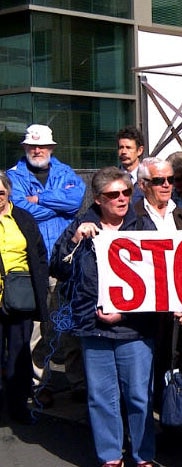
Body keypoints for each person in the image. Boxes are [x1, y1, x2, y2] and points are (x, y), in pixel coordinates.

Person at [50, 167, 156, 467]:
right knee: (101, 397)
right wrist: (74, 242)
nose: (122, 199)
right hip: (92, 327)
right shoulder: (79, 226)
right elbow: (57, 267)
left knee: (139, 396)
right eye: (113, 194)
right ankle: (111, 456)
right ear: (98, 199)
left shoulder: (143, 227)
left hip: (134, 327)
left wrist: (126, 312)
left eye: (126, 192)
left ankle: (143, 454)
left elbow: (157, 278)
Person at [6, 124, 86, 408]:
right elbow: (20, 209)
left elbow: (75, 202)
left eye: (42, 146)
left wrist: (39, 198)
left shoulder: (65, 172)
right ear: (25, 148)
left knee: (73, 323)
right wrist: (57, 205)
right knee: (41, 328)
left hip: (67, 260)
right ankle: (39, 384)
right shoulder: (13, 177)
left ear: (51, 148)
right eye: (31, 146)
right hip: (36, 263)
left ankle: (77, 381)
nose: (37, 150)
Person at [133, 157, 182, 410]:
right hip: (144, 314)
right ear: (142, 185)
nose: (166, 185)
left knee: (175, 374)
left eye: (171, 180)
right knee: (143, 381)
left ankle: (175, 426)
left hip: (179, 315)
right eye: (159, 180)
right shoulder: (131, 218)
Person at [0, 170, 49, 425]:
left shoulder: (23, 218)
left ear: (8, 192)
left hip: (20, 297)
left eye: (0, 192)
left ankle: (18, 406)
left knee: (19, 356)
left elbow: (40, 254)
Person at [116, 126, 145, 204]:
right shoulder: (111, 179)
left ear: (139, 150)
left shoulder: (148, 179)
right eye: (121, 147)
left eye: (128, 148)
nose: (123, 152)